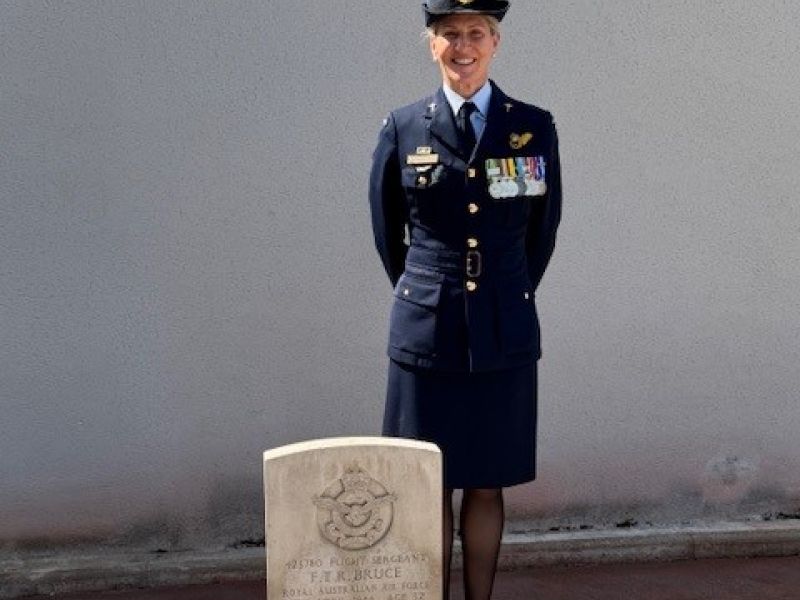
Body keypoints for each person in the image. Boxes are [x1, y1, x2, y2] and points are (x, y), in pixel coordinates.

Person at [369, 1, 561, 598]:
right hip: (428, 332)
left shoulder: (532, 125)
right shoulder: (403, 126)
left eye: (476, 32)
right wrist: (429, 291)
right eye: (449, 33)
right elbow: (387, 232)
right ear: (432, 44)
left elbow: (541, 232)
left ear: (495, 43)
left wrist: (504, 290)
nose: (463, 46)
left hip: (502, 331)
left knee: (486, 481)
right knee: (426, 482)